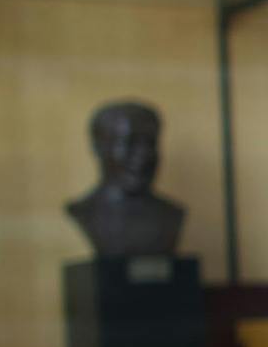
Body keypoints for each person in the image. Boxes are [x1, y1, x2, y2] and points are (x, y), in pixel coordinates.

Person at [63, 99, 184, 257]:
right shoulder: (84, 211)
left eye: (150, 143)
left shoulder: (171, 215)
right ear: (99, 147)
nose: (142, 156)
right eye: (130, 143)